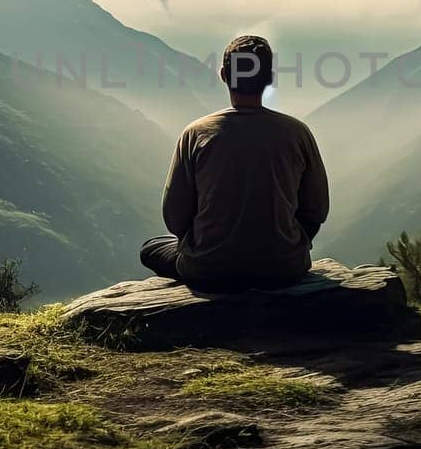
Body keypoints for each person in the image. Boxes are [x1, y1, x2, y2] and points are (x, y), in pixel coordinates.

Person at [140, 34, 329, 290]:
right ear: (270, 78)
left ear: (223, 75)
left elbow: (175, 217)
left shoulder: (196, 133)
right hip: (284, 267)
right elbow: (317, 209)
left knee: (151, 248)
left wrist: (206, 245)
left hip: (209, 268)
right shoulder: (297, 133)